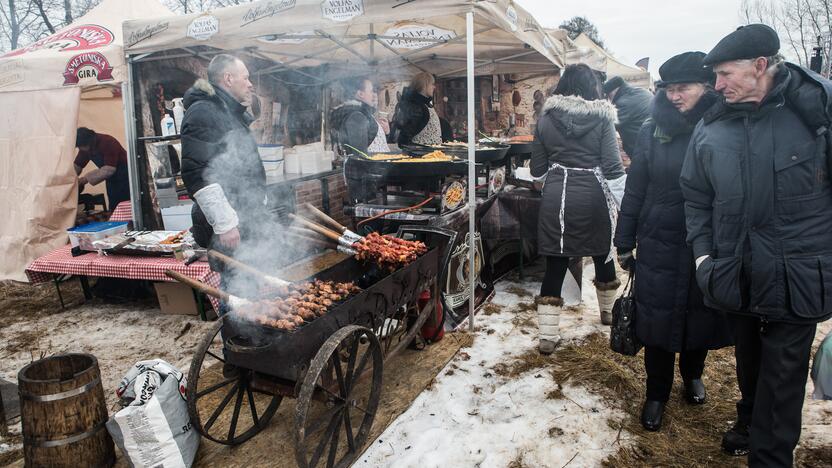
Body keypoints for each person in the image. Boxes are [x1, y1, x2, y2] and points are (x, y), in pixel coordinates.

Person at [680, 24, 832, 466]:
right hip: (736, 274)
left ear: (761, 66)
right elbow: (696, 196)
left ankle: (770, 457)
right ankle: (750, 421)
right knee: (749, 365)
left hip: (798, 277)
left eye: (725, 74)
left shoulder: (817, 114)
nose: (717, 85)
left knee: (782, 384)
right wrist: (704, 255)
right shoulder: (712, 127)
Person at [614, 52, 732, 432]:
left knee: (700, 311)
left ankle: (694, 374)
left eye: (685, 88)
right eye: (669, 89)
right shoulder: (652, 128)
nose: (675, 96)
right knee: (657, 317)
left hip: (707, 238)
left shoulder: (723, 125)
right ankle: (656, 393)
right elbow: (637, 185)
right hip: (659, 234)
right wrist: (624, 237)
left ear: (707, 87)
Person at [531, 63, 626, 354]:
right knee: (601, 251)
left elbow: (537, 172)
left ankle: (547, 337)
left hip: (557, 198)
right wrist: (627, 209)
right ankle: (608, 314)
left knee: (556, 263)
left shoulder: (545, 118)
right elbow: (613, 168)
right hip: (593, 197)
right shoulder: (602, 118)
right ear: (592, 87)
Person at [180, 54, 271, 271]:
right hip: (230, 225)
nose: (250, 84)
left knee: (252, 281)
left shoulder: (227, 112)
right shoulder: (203, 112)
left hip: (244, 215)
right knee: (236, 286)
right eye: (246, 78)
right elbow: (196, 171)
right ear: (228, 78)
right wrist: (225, 224)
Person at [330, 77, 389, 155]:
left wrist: (385, 131)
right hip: (374, 166)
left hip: (380, 164)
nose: (374, 95)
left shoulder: (362, 113)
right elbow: (359, 155)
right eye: (371, 91)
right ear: (360, 94)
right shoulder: (356, 116)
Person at [74, 127, 130, 208]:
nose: (80, 149)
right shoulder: (86, 148)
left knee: (125, 205)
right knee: (114, 206)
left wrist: (84, 179)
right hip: (111, 180)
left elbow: (109, 169)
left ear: (88, 142)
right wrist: (70, 179)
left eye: (80, 146)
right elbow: (78, 164)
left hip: (125, 177)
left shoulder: (108, 142)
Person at [602, 76, 652, 157]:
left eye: (608, 96)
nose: (609, 99)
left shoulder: (622, 103)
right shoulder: (642, 91)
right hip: (654, 144)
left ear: (613, 91)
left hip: (642, 150)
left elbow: (606, 127)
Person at [391, 72, 444, 146]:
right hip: (422, 155)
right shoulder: (416, 107)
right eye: (432, 84)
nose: (434, 87)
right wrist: (418, 152)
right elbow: (405, 139)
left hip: (431, 154)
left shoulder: (425, 104)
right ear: (424, 85)